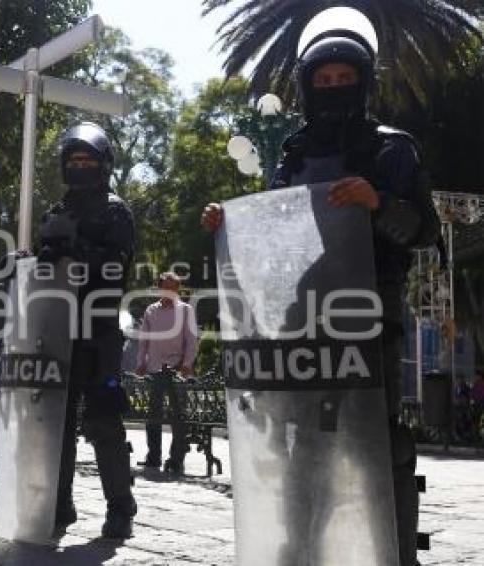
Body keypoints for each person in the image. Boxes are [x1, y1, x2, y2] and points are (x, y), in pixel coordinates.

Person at [202, 18, 440, 565]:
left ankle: (397, 555)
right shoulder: (293, 151)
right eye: (324, 78)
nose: (334, 85)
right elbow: (276, 230)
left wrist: (378, 202)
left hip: (367, 310)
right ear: (309, 86)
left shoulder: (392, 149)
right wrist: (229, 225)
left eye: (343, 76)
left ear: (362, 82)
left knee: (378, 444)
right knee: (302, 442)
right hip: (302, 312)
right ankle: (296, 550)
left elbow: (424, 230)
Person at [38, 121, 137, 539]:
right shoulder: (55, 212)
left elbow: (117, 269)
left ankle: (120, 508)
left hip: (98, 330)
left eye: (87, 160)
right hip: (58, 330)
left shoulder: (116, 210)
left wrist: (75, 253)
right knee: (55, 423)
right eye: (74, 159)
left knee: (103, 420)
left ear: (102, 164)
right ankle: (59, 504)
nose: (80, 166)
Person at [135, 272, 198, 475]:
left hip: (177, 369)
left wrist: (187, 363)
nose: (170, 291)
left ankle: (176, 460)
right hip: (155, 369)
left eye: (173, 288)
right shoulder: (151, 311)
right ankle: (153, 457)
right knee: (153, 416)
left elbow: (191, 340)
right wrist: (140, 362)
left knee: (178, 418)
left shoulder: (185, 310)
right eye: (166, 287)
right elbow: (144, 340)